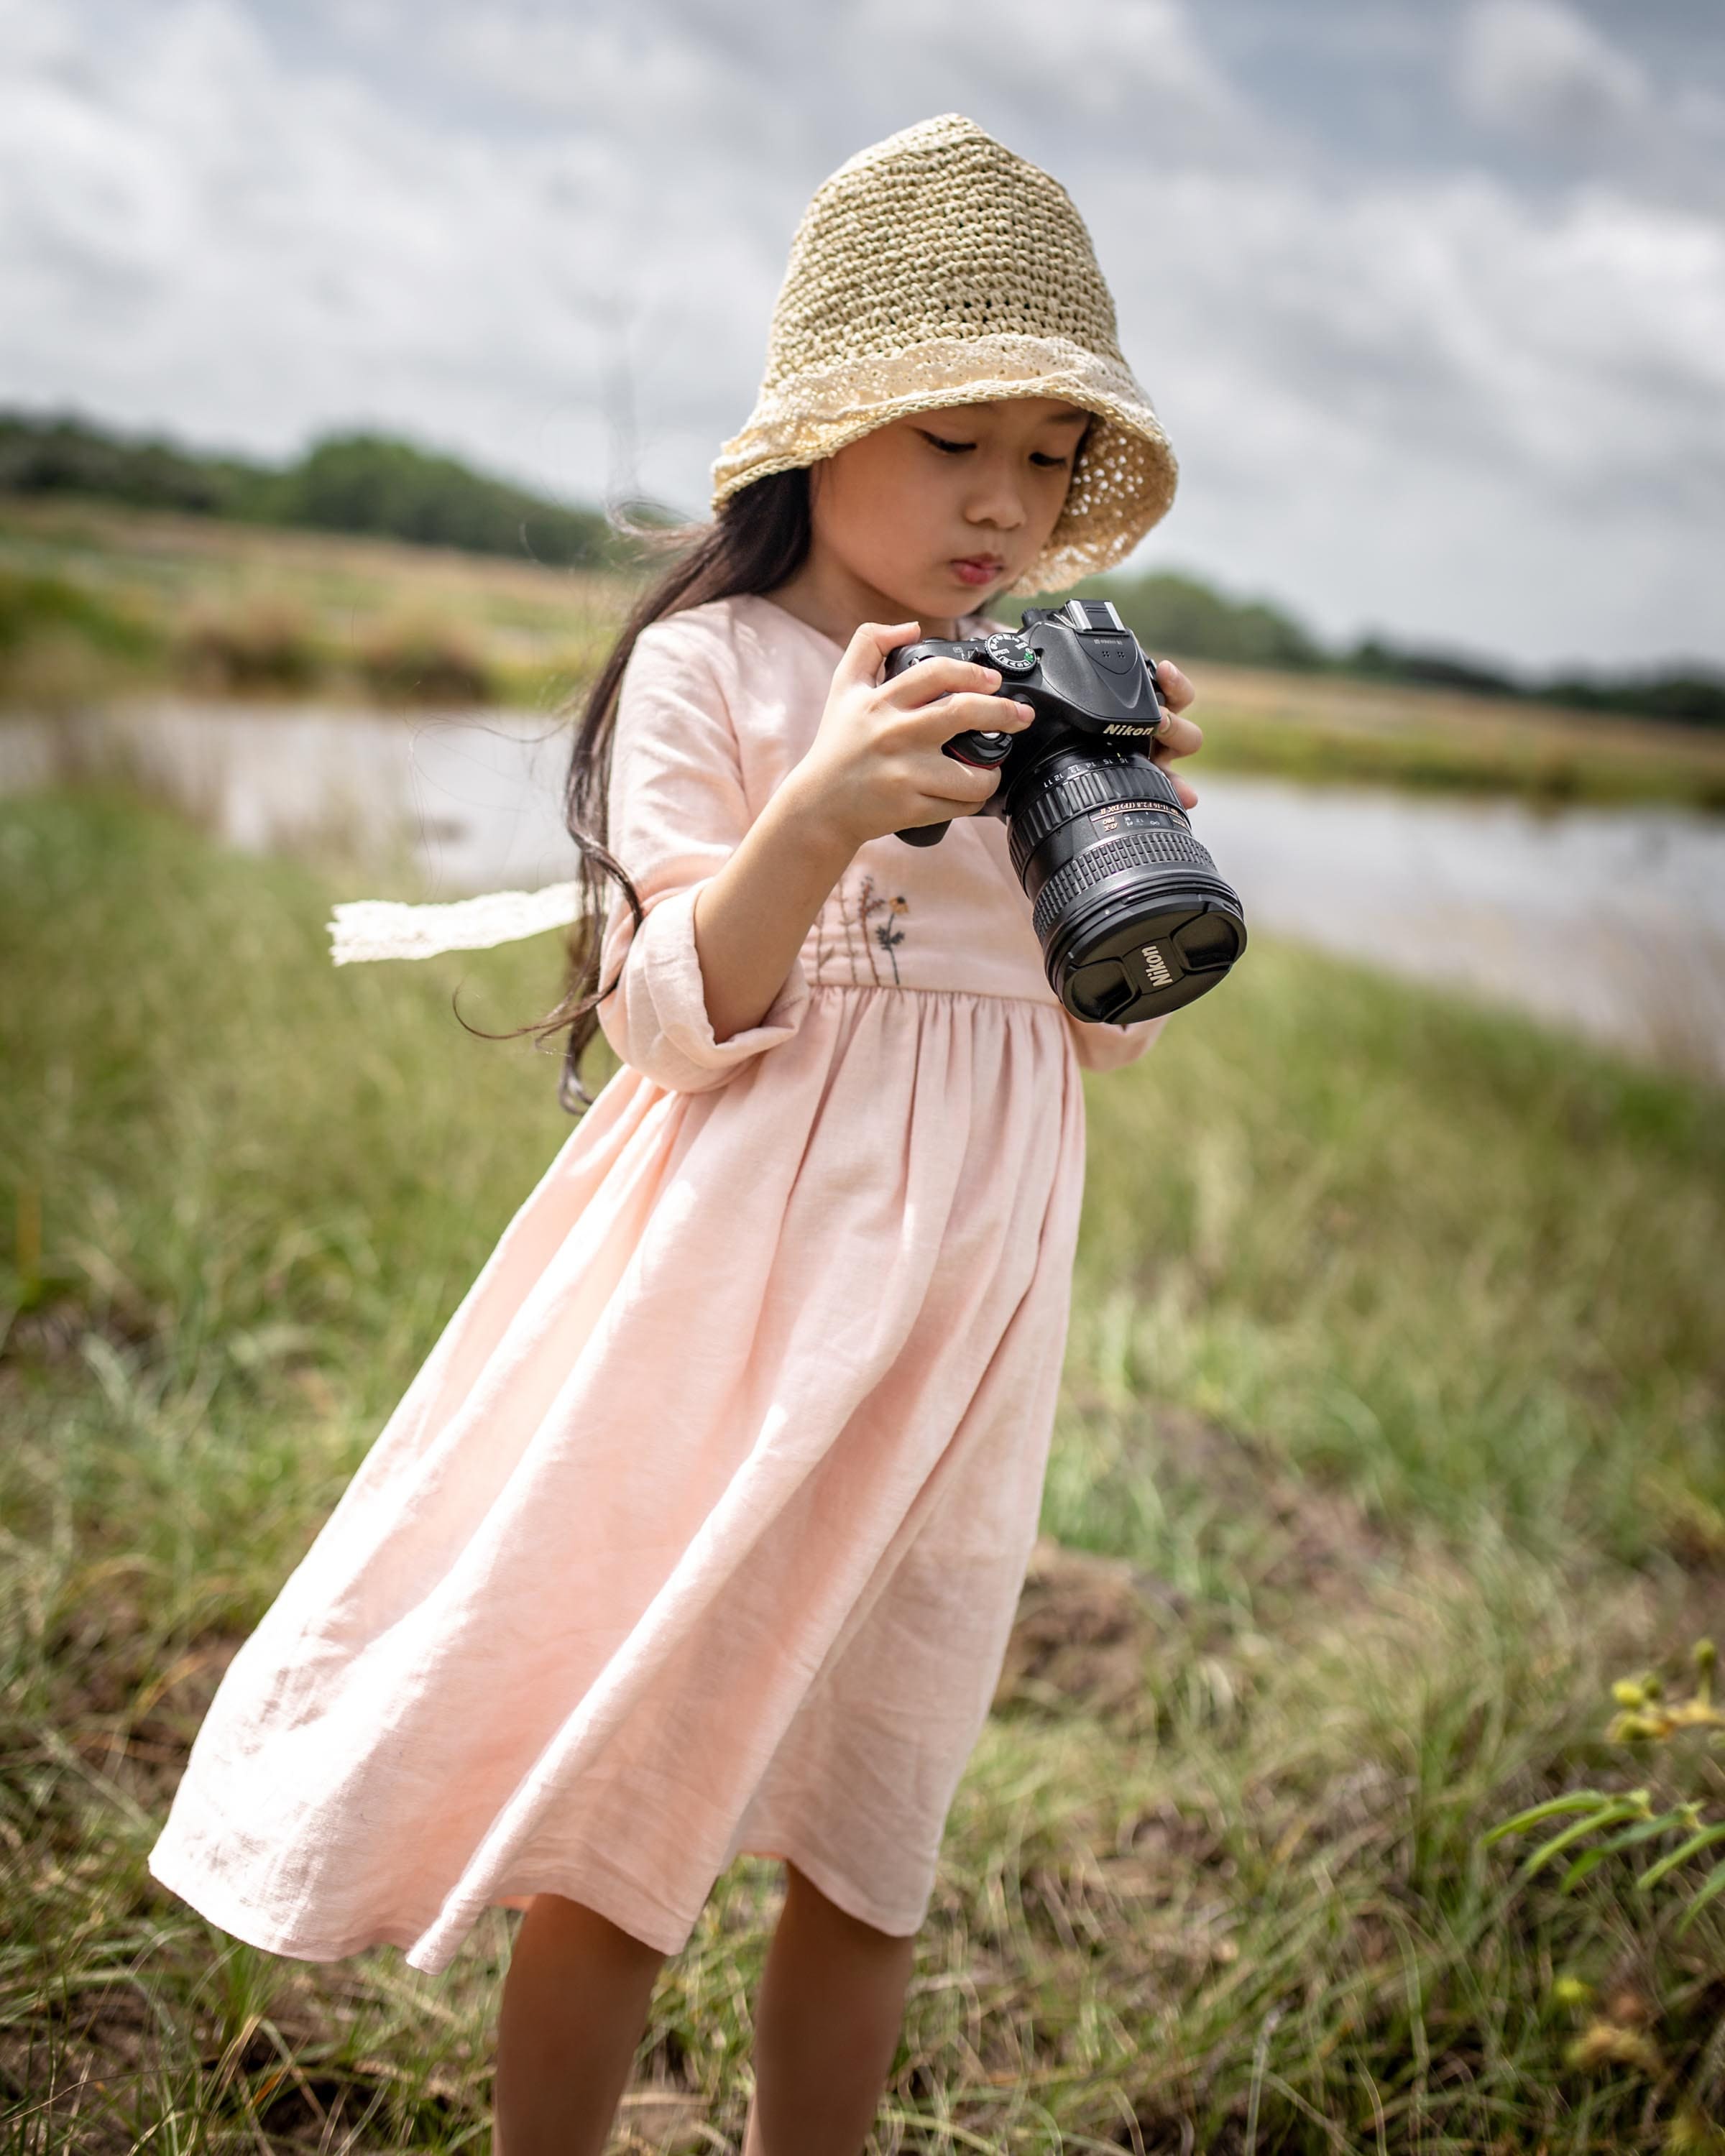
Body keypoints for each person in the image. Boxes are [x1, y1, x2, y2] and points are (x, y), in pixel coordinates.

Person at [147, 113, 1205, 2155]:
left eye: (1046, 456)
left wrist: (1127, 823)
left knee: (875, 1828)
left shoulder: (1025, 698)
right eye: (949, 441)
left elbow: (1099, 1047)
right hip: (734, 1326)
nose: (1006, 501)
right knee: (627, 1816)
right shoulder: (717, 670)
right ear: (821, 433)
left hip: (962, 1345)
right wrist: (824, 802)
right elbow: (664, 1023)